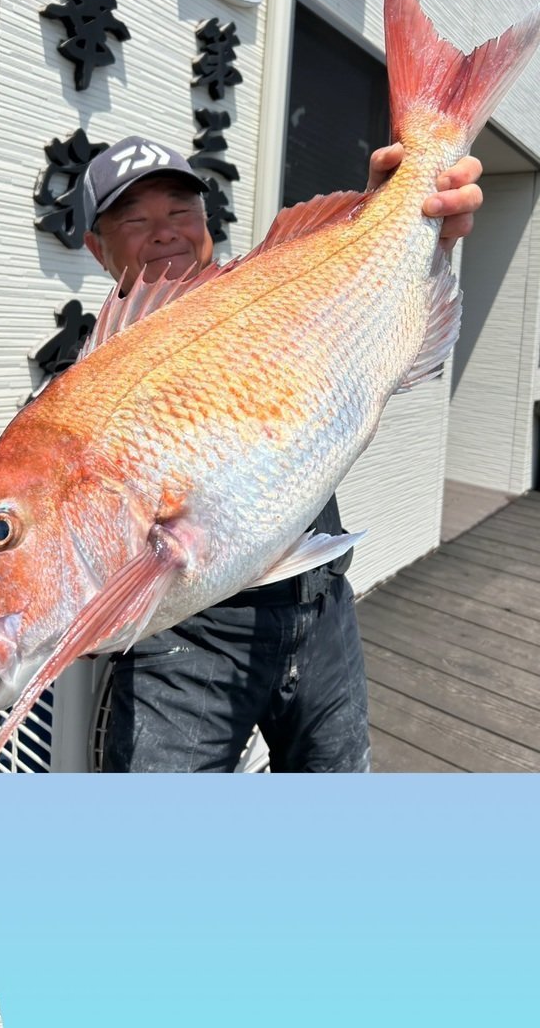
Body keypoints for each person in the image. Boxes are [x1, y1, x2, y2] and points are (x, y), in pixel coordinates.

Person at [77, 135, 483, 773]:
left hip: (323, 609)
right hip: (188, 643)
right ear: (97, 249)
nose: (165, 231)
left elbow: (371, 312)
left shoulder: (267, 292)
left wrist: (414, 224)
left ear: (206, 221)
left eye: (181, 209)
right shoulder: (88, 387)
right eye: (133, 220)